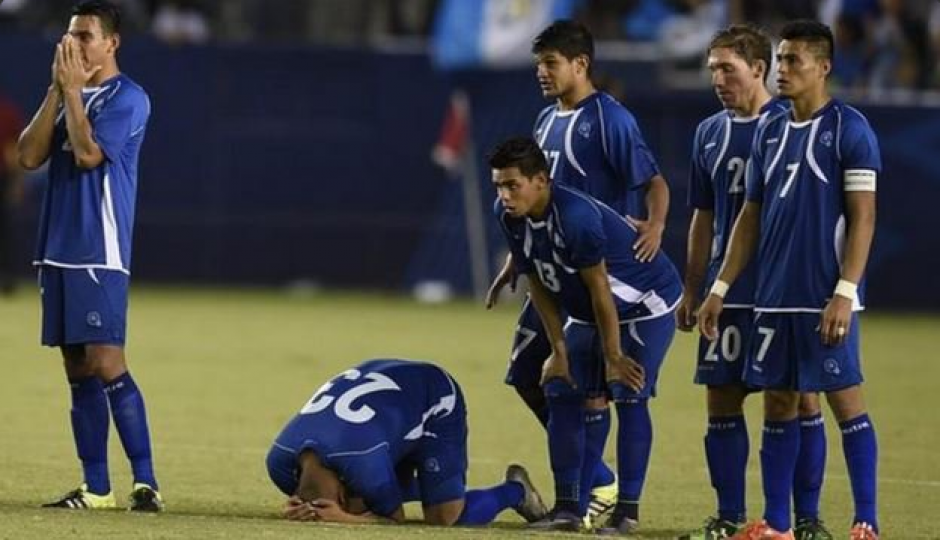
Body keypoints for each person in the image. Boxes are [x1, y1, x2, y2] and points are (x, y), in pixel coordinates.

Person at [698, 20, 881, 540]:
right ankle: (776, 524)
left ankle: (866, 520)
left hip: (823, 295)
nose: (783, 70)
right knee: (778, 402)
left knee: (846, 403)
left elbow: (864, 217)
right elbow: (748, 218)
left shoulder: (850, 129)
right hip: (773, 300)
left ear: (823, 67)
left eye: (793, 60)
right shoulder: (770, 132)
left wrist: (845, 293)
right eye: (780, 60)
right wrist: (719, 289)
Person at [486, 19, 670, 528]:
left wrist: (654, 225)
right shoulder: (546, 121)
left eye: (550, 63)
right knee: (530, 375)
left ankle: (597, 494)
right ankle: (597, 480)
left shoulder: (610, 119)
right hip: (555, 267)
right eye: (538, 64)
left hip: (600, 270)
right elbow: (530, 198)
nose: (541, 73)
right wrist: (517, 258)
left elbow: (653, 181)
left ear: (580, 64)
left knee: (592, 387)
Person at [675, 25, 832, 540]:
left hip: (783, 290)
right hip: (726, 292)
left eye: (728, 69)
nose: (718, 79)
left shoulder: (789, 123)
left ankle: (801, 520)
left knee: (797, 399)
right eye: (713, 69)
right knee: (721, 394)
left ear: (760, 69)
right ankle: (729, 517)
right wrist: (694, 287)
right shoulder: (707, 133)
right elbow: (702, 215)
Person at [16, 0, 160, 511]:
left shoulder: (129, 99)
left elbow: (88, 153)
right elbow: (28, 156)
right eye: (71, 34)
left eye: (85, 36)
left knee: (107, 362)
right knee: (76, 368)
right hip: (55, 249)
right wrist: (57, 93)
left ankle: (146, 484)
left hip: (98, 250)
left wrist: (73, 96)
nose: (74, 44)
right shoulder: (67, 92)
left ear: (111, 43)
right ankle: (96, 488)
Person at [265, 358, 548, 526]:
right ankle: (430, 486)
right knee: (367, 493)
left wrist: (348, 518)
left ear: (340, 493)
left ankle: (515, 491)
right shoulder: (278, 461)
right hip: (386, 407)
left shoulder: (362, 463)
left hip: (433, 397)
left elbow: (393, 519)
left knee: (444, 517)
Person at [0, 88, 25, 295]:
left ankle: (7, 278)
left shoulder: (6, 112)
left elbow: (12, 149)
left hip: (2, 178)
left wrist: (16, 182)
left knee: (5, 230)